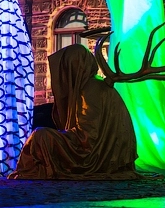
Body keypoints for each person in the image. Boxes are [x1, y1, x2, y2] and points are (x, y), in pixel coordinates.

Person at [12, 44, 138, 180]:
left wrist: (60, 137)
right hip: (104, 151)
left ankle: (33, 172)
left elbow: (88, 137)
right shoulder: (96, 84)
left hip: (93, 155)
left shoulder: (89, 88)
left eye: (65, 68)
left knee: (40, 136)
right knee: (44, 134)